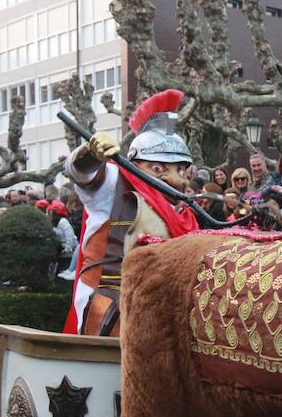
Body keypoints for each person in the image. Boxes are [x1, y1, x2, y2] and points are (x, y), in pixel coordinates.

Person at [62, 89, 201, 336]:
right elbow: (82, 173)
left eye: (181, 170)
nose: (174, 179)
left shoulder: (184, 214)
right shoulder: (117, 185)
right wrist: (91, 154)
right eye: (158, 168)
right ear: (136, 166)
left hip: (167, 309)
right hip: (114, 305)